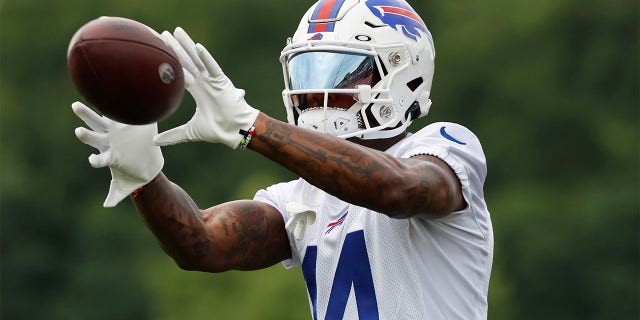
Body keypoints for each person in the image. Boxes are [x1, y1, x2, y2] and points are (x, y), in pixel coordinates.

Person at [72, 0, 494, 318]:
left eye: (342, 74)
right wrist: (145, 176)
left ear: (403, 73)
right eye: (308, 73)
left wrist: (252, 126)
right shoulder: (300, 198)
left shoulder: (447, 146)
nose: (315, 93)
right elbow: (201, 245)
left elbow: (396, 189)